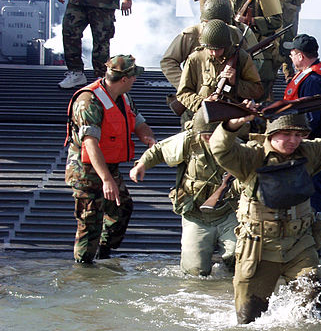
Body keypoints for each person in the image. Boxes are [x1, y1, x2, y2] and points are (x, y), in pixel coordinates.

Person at [209, 88, 321, 324]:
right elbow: (220, 149)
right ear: (270, 134)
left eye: (298, 135)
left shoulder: (308, 153)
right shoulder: (250, 158)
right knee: (249, 321)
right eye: (286, 134)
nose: (293, 141)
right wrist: (231, 126)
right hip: (259, 249)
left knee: (315, 304)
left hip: (299, 245)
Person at [65, 55, 155, 264]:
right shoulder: (89, 101)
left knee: (122, 207)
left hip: (109, 166)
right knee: (90, 222)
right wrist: (106, 180)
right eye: (133, 77)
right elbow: (90, 144)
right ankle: (84, 268)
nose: (135, 80)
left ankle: (103, 252)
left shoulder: (123, 97)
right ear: (124, 79)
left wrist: (149, 139)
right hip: (86, 171)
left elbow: (139, 123)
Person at [129, 113, 238, 276]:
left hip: (228, 212)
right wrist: (142, 164)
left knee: (240, 259)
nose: (208, 139)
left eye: (213, 135)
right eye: (204, 135)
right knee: (194, 271)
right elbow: (159, 150)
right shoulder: (188, 141)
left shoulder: (236, 146)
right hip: (195, 213)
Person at [282, 33, 321, 214]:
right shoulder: (318, 72)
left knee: (312, 187)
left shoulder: (312, 81)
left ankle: (315, 226)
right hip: (316, 141)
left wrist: (292, 140)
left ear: (301, 56)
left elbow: (312, 119)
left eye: (292, 53)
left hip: (313, 145)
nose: (290, 56)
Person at [175, 18, 264, 121]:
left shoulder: (241, 57)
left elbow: (257, 91)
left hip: (233, 117)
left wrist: (236, 82)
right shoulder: (195, 59)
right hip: (202, 118)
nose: (214, 53)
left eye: (218, 49)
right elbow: (183, 93)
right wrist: (203, 102)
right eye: (210, 49)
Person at [224, 0, 283, 101]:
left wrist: (251, 21)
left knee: (261, 95)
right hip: (237, 52)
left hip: (260, 52)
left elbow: (277, 21)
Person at [159, 0, 243, 91]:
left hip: (227, 93)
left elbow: (249, 64)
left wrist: (235, 82)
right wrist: (186, 86)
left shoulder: (236, 34)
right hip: (196, 94)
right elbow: (168, 62)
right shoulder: (191, 34)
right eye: (210, 23)